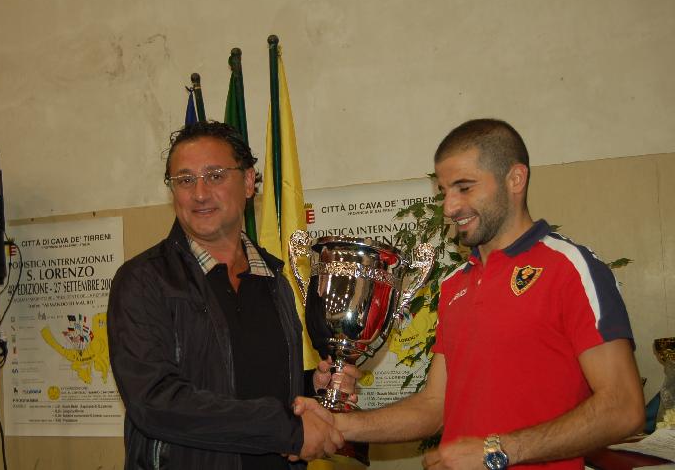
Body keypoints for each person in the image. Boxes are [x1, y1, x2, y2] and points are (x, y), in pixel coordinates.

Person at [295, 118, 645, 470]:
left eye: (464, 188)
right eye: (444, 192)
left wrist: (498, 451)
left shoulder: (570, 268)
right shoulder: (455, 285)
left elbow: (624, 407)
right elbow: (434, 407)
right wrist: (336, 425)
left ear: (515, 179)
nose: (449, 207)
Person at [107, 121, 351, 469]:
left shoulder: (273, 279)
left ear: (249, 182)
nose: (200, 193)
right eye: (185, 180)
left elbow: (246, 380)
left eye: (215, 176)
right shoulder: (144, 281)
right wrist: (286, 430)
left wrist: (312, 385)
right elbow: (154, 401)